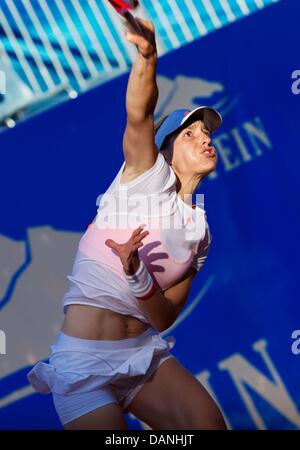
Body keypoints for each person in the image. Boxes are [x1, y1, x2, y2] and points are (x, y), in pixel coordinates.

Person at [27, 18, 227, 430]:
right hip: (83, 365)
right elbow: (140, 112)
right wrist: (147, 56)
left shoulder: (201, 234)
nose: (205, 138)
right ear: (166, 151)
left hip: (141, 355)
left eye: (206, 132)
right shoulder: (147, 176)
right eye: (190, 133)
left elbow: (165, 315)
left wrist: (137, 275)